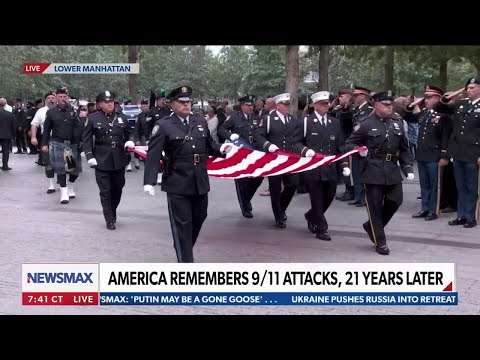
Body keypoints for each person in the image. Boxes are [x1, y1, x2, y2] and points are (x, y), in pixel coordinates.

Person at [143, 86, 232, 263]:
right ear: (172, 104)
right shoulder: (163, 125)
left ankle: (182, 247)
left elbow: (208, 145)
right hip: (177, 181)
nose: (186, 105)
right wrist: (149, 181)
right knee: (182, 224)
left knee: (200, 217)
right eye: (181, 102)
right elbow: (153, 155)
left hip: (199, 180)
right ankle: (186, 263)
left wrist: (221, 149)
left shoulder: (199, 122)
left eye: (188, 102)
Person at [341, 91, 414, 255]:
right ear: (376, 105)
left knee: (395, 201)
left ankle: (370, 227)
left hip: (392, 170)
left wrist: (407, 167)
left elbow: (404, 148)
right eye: (386, 105)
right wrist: (359, 150)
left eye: (391, 105)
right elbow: (348, 144)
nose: (390, 107)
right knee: (374, 208)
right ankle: (380, 241)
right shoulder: (365, 124)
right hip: (372, 170)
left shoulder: (397, 122)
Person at [292, 91, 350, 240]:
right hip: (313, 168)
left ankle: (311, 215)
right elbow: (295, 143)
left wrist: (344, 164)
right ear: (315, 105)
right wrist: (306, 151)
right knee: (317, 199)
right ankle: (321, 229)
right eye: (323, 103)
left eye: (327, 103)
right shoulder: (305, 122)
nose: (327, 105)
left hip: (330, 168)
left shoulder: (334, 123)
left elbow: (340, 146)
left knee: (329, 196)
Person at [82, 91, 134, 230]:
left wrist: (130, 141)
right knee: (105, 191)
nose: (110, 103)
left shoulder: (121, 118)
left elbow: (130, 133)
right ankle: (109, 218)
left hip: (119, 158)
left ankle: (112, 210)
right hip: (101, 159)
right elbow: (86, 140)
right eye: (106, 102)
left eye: (111, 101)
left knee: (118, 189)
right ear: (100, 104)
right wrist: (89, 156)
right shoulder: (93, 118)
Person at [434, 77, 480, 228]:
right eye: (468, 87)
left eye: (472, 87)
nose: (469, 90)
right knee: (460, 186)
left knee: (471, 187)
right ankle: (461, 215)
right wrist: (453, 95)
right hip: (458, 152)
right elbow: (439, 108)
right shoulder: (461, 104)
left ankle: (470, 217)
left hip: (473, 153)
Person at [253, 92, 299, 228]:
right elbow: (258, 135)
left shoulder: (292, 120)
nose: (287, 107)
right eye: (284, 104)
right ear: (278, 106)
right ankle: (278, 216)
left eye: (288, 104)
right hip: (274, 159)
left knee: (292, 184)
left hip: (289, 159)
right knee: (275, 188)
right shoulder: (268, 119)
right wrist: (268, 145)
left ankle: (281, 208)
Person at [405, 86, 450, 221]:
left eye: (429, 97)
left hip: (434, 155)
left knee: (434, 185)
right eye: (426, 97)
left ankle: (433, 210)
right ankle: (424, 208)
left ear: (438, 99)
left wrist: (444, 155)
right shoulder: (424, 113)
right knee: (424, 185)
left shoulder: (443, 115)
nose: (426, 100)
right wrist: (411, 105)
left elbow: (445, 137)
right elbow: (407, 117)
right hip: (422, 154)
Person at [217, 94, 264, 218]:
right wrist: (230, 136)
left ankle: (246, 199)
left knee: (258, 178)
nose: (250, 107)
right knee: (242, 180)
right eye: (248, 105)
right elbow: (221, 130)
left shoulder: (257, 118)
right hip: (241, 154)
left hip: (255, 152)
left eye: (252, 105)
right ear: (242, 106)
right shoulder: (234, 118)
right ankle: (245, 206)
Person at [41, 88, 83, 204]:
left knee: (73, 170)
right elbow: (46, 129)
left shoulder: (73, 111)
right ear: (56, 98)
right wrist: (44, 144)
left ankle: (70, 187)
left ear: (67, 98)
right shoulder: (51, 112)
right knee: (61, 169)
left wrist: (76, 115)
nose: (63, 99)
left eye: (65, 97)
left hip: (71, 144)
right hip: (58, 142)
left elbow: (80, 127)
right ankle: (63, 192)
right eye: (60, 97)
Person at [31, 92, 57, 192]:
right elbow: (34, 124)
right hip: (47, 139)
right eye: (48, 98)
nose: (51, 99)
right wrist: (33, 137)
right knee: (48, 163)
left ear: (56, 99)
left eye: (52, 98)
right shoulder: (41, 111)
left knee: (63, 162)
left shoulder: (62, 110)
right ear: (45, 100)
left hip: (61, 139)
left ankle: (64, 181)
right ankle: (51, 184)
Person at [0, 98, 16, 170]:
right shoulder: (9, 114)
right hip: (6, 135)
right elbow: (13, 126)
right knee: (6, 151)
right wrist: (14, 135)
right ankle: (5, 165)